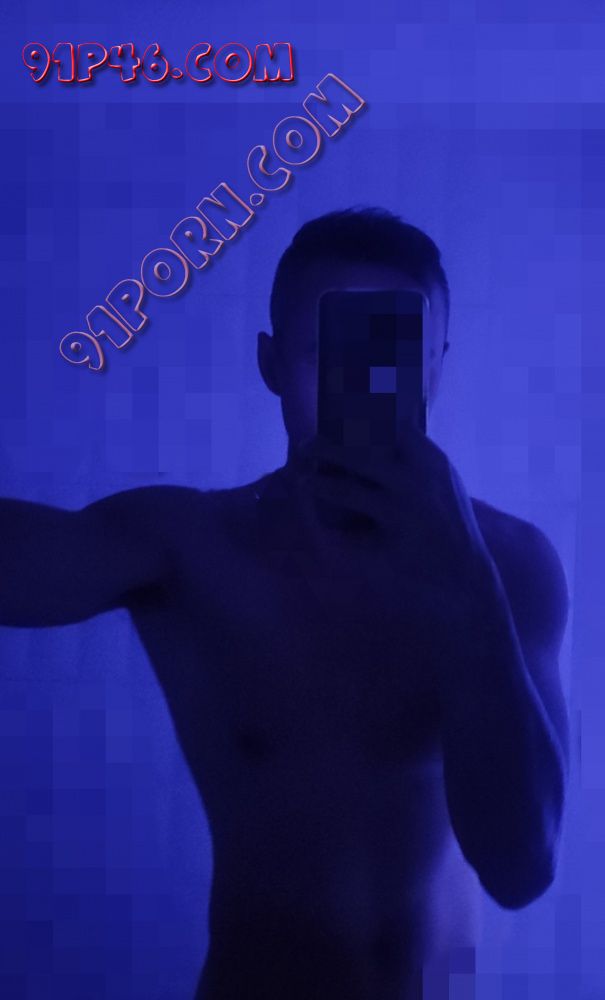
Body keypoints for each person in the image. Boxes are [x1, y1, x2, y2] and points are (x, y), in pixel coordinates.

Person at [0, 207, 570, 1000]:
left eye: (396, 355)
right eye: (327, 353)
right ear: (270, 362)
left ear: (436, 365)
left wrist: (461, 578)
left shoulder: (509, 565)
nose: (364, 383)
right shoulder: (190, 547)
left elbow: (520, 867)